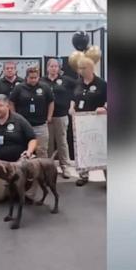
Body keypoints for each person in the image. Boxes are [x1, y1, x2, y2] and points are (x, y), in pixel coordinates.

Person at [69, 57, 107, 186]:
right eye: (79, 68)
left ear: (91, 68)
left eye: (83, 68)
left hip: (98, 121)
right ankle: (83, 175)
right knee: (82, 147)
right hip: (81, 122)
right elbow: (74, 98)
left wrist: (105, 108)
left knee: (100, 148)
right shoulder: (78, 83)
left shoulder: (102, 84)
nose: (80, 71)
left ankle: (108, 175)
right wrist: (71, 107)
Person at [41, 58, 76, 178]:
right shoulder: (41, 81)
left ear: (59, 68)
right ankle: (49, 168)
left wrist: (72, 105)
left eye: (56, 66)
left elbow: (78, 89)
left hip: (61, 115)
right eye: (51, 66)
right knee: (48, 143)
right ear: (47, 68)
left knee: (62, 142)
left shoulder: (66, 80)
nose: (54, 68)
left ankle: (65, 166)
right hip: (46, 117)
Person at [10, 66, 54, 158]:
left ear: (38, 77)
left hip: (40, 124)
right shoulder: (19, 88)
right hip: (24, 125)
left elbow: (51, 102)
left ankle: (42, 171)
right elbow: (11, 102)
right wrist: (14, 116)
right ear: (26, 77)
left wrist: (49, 116)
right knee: (24, 150)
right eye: (31, 78)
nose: (33, 80)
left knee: (42, 150)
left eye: (35, 78)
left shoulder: (45, 87)